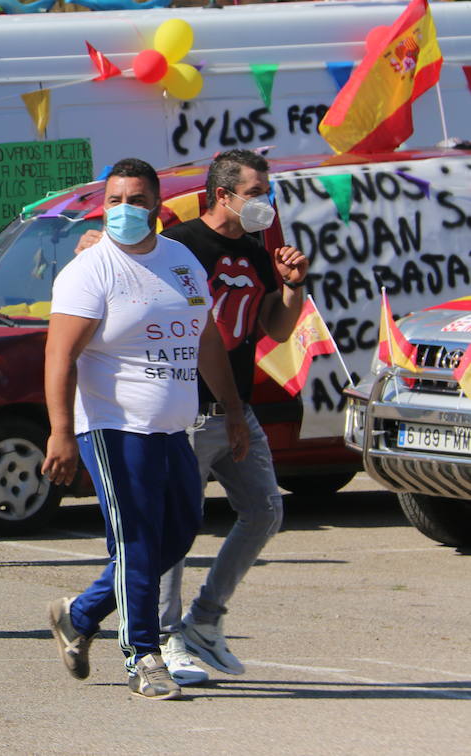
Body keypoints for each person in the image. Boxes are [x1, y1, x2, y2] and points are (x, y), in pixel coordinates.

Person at [42, 158, 246, 701]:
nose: (125, 209)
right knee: (136, 539)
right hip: (113, 426)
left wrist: (233, 409)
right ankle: (143, 656)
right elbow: (60, 356)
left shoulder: (180, 261)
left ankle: (80, 615)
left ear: (157, 205)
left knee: (177, 534)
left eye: (136, 200)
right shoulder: (90, 271)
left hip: (172, 428)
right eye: (115, 200)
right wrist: (61, 431)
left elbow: (206, 339)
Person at [157, 149, 309, 682]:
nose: (265, 202)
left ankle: (204, 620)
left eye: (268, 192)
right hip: (186, 410)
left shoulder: (256, 249)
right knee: (177, 525)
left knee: (265, 510)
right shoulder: (180, 245)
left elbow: (277, 328)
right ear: (222, 195)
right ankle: (165, 636)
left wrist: (292, 285)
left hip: (237, 408)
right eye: (255, 193)